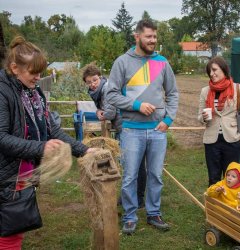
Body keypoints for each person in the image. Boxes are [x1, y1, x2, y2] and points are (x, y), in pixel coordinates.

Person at [0, 36, 95, 249]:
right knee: (9, 236)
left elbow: (51, 130)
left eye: (40, 72)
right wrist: (41, 147)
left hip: (23, 174)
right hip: (6, 176)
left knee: (15, 227)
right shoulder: (3, 92)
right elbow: (1, 138)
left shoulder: (34, 93)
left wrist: (83, 149)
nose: (38, 77)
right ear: (15, 68)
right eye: (33, 72)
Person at [107, 19, 179, 234]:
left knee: (156, 175)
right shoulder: (122, 62)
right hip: (130, 130)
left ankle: (153, 213)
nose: (153, 41)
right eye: (149, 36)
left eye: (155, 37)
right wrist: (136, 105)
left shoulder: (163, 62)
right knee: (130, 176)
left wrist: (168, 120)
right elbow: (111, 94)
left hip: (158, 131)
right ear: (137, 36)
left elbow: (173, 93)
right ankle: (130, 217)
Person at [82, 64, 146, 208]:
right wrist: (100, 110)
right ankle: (137, 197)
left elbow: (110, 113)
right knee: (137, 163)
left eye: (94, 80)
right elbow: (105, 108)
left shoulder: (106, 89)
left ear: (100, 77)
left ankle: (134, 198)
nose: (92, 84)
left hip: (127, 127)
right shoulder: (100, 90)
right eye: (89, 82)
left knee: (130, 164)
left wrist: (100, 114)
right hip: (128, 125)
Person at [198, 56, 240, 186]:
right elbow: (199, 117)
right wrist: (204, 117)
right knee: (214, 179)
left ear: (224, 70)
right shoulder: (205, 91)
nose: (211, 73)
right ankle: (213, 206)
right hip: (211, 141)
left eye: (214, 70)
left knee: (232, 179)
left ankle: (229, 205)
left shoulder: (238, 88)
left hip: (232, 140)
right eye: (209, 71)